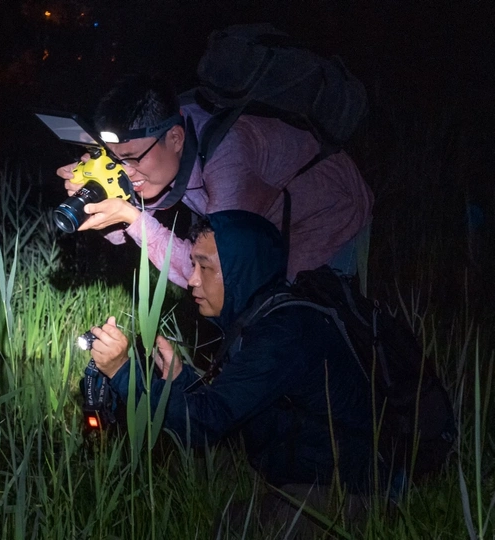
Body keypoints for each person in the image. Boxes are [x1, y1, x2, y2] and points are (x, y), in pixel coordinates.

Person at [88, 210, 375, 534]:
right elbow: (229, 403)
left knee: (228, 527)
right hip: (300, 465)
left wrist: (121, 371)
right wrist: (179, 379)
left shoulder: (283, 333)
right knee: (183, 472)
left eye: (205, 267)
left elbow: (207, 422)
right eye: (194, 265)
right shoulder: (262, 317)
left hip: (349, 487)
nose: (192, 279)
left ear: (242, 270)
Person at [57, 74, 373, 288]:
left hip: (329, 213)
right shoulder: (159, 141)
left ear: (176, 138)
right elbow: (126, 228)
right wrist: (101, 193)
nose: (126, 171)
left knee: (293, 313)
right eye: (116, 159)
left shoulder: (229, 159)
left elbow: (214, 276)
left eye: (133, 158)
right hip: (264, 215)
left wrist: (133, 218)